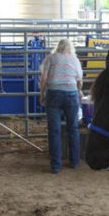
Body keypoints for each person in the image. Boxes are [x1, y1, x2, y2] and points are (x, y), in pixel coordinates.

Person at [39, 38, 83, 174]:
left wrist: (42, 94)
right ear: (70, 48)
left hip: (53, 93)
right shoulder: (74, 60)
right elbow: (80, 80)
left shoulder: (50, 58)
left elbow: (44, 78)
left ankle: (56, 165)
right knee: (73, 128)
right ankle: (74, 161)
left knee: (54, 130)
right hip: (71, 93)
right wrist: (79, 91)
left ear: (57, 47)